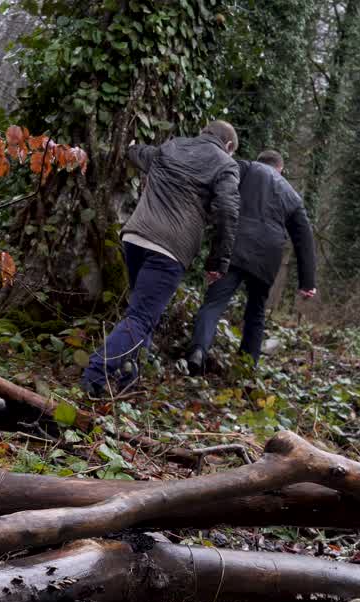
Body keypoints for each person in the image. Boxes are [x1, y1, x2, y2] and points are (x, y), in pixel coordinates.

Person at [79, 120, 241, 397]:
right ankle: (95, 374)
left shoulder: (172, 146)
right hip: (169, 249)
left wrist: (130, 146)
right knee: (141, 317)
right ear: (228, 145)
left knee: (142, 314)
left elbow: (140, 153)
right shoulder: (225, 164)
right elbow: (227, 210)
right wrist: (218, 262)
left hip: (135, 238)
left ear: (204, 132)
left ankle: (128, 380)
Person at [186, 149, 315, 375]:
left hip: (235, 246)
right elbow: (304, 238)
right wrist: (307, 282)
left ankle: (198, 351)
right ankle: (247, 367)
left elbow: (218, 193)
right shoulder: (292, 195)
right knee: (256, 313)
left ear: (259, 161)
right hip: (268, 257)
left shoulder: (243, 168)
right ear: (280, 169)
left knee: (214, 303)